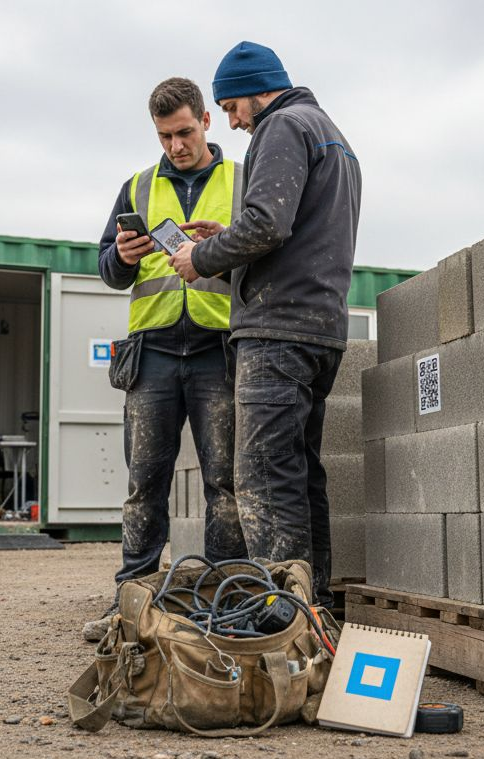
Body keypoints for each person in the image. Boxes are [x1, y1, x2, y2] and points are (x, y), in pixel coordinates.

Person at [169, 42, 362, 608]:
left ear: (258, 90)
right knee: (299, 472)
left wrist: (201, 257)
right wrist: (228, 236)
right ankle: (313, 605)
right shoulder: (332, 135)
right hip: (319, 328)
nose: (232, 122)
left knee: (263, 476)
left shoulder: (282, 125)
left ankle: (282, 611)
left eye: (231, 107)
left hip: (277, 332)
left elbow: (266, 225)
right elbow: (287, 231)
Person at [83, 77, 247, 642]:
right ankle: (131, 603)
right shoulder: (136, 187)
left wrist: (224, 249)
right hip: (151, 353)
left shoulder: (242, 180)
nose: (176, 146)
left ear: (206, 121)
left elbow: (266, 254)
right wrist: (122, 257)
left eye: (183, 132)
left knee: (224, 482)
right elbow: (108, 269)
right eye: (164, 136)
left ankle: (224, 602)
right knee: (144, 482)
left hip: (216, 349)